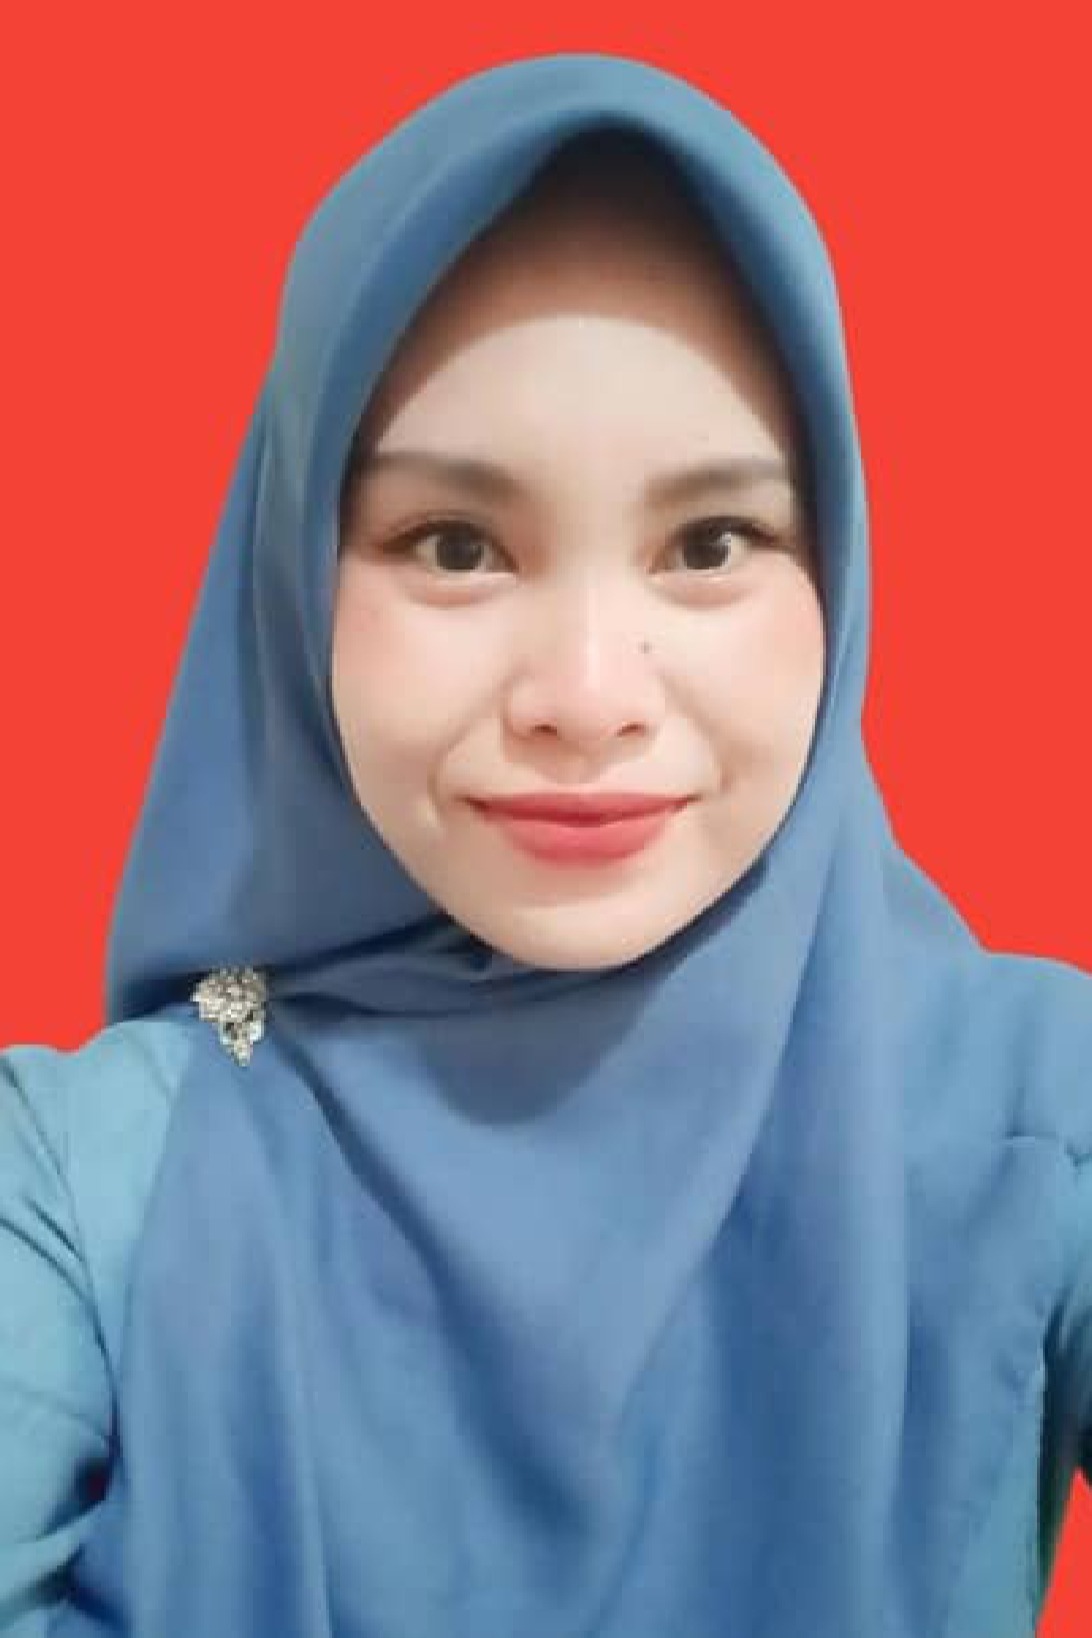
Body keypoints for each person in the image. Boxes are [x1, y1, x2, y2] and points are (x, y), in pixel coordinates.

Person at [1, 50, 1090, 1638]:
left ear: (839, 577)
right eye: (456, 545)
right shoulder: (86, 1172)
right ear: (296, 584)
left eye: (710, 541)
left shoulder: (1037, 1111)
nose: (586, 697)